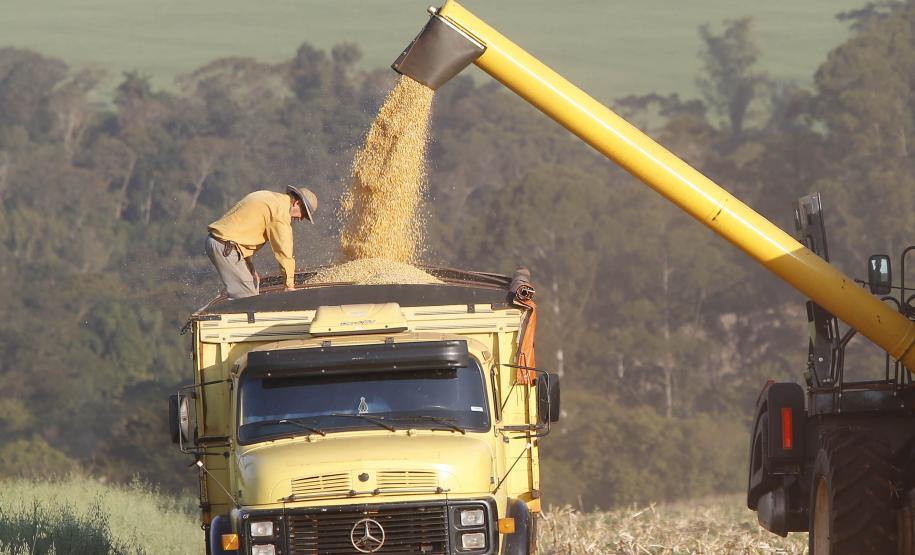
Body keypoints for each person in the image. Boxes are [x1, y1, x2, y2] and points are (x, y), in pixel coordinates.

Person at [206, 185, 318, 299]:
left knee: (252, 285)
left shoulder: (270, 198)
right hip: (225, 247)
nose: (301, 218)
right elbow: (284, 252)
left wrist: (249, 266)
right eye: (304, 213)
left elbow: (242, 234)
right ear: (297, 203)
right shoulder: (281, 212)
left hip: (221, 243)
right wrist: (289, 285)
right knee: (248, 299)